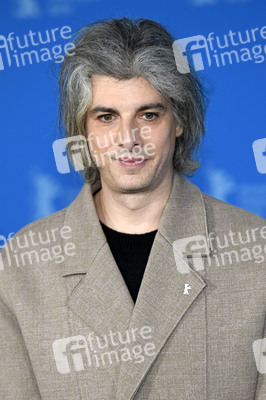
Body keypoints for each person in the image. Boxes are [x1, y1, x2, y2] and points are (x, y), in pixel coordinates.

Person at [0, 17, 265, 400]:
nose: (128, 139)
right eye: (106, 117)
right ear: (83, 131)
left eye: (148, 115)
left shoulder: (257, 253)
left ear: (179, 122)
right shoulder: (21, 268)